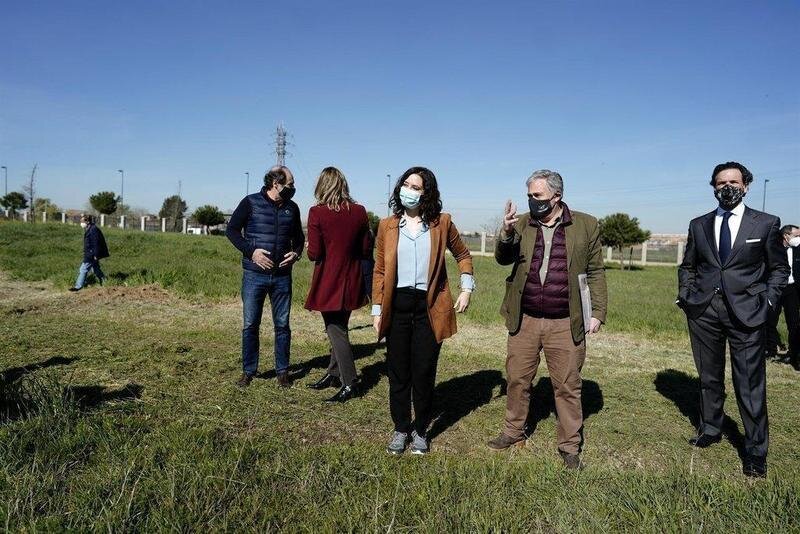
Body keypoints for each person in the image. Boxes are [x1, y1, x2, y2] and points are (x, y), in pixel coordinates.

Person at [486, 169, 607, 470]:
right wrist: (506, 232)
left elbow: (596, 272)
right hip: (525, 318)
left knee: (567, 385)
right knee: (517, 378)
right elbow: (503, 258)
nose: (532, 201)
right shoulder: (524, 223)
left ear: (556, 196)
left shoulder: (586, 225)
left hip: (565, 321)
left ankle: (569, 446)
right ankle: (513, 432)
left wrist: (598, 312)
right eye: (529, 195)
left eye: (537, 196)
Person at [677, 161, 789, 478]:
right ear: (713, 187)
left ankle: (755, 451)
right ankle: (710, 428)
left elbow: (779, 269)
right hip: (704, 311)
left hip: (748, 313)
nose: (728, 187)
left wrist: (768, 301)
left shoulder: (766, 223)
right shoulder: (699, 224)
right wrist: (686, 294)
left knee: (749, 383)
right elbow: (688, 266)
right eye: (721, 182)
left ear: (746, 185)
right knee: (708, 377)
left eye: (734, 181)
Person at [372, 166, 474, 455]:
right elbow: (379, 270)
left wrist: (467, 288)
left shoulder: (442, 223)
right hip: (397, 306)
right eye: (406, 185)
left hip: (430, 307)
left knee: (424, 371)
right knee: (398, 372)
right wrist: (377, 309)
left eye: (416, 187)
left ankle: (420, 430)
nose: (409, 191)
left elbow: (463, 254)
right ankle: (401, 427)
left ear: (427, 192)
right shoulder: (387, 226)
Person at [226, 165, 305, 388]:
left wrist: (296, 253)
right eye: (290, 184)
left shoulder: (293, 208)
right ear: (275, 183)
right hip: (254, 276)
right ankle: (248, 370)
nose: (293, 188)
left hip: (282, 277)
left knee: (282, 325)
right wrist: (251, 251)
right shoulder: (250, 202)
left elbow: (299, 238)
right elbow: (231, 231)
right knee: (250, 324)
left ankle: (282, 372)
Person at [304, 167, 372, 402]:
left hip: (329, 281)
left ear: (322, 186)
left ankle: (350, 381)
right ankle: (333, 373)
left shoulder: (317, 213)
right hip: (352, 280)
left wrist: (309, 247)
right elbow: (365, 249)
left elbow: (314, 253)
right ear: (343, 185)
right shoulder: (360, 211)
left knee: (336, 331)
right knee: (339, 327)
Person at [765, 225, 800, 369]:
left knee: (794, 323)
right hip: (776, 289)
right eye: (796, 235)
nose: (798, 238)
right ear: (786, 236)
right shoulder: (773, 249)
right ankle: (771, 350)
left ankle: (794, 354)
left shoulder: (798, 249)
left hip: (792, 290)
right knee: (770, 320)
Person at [70, 214, 109, 291]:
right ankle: (105, 282)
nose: (81, 223)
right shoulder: (90, 228)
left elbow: (96, 243)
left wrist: (95, 254)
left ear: (87, 221)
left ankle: (78, 287)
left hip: (92, 254)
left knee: (83, 269)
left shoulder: (93, 229)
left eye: (82, 221)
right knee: (96, 269)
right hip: (91, 253)